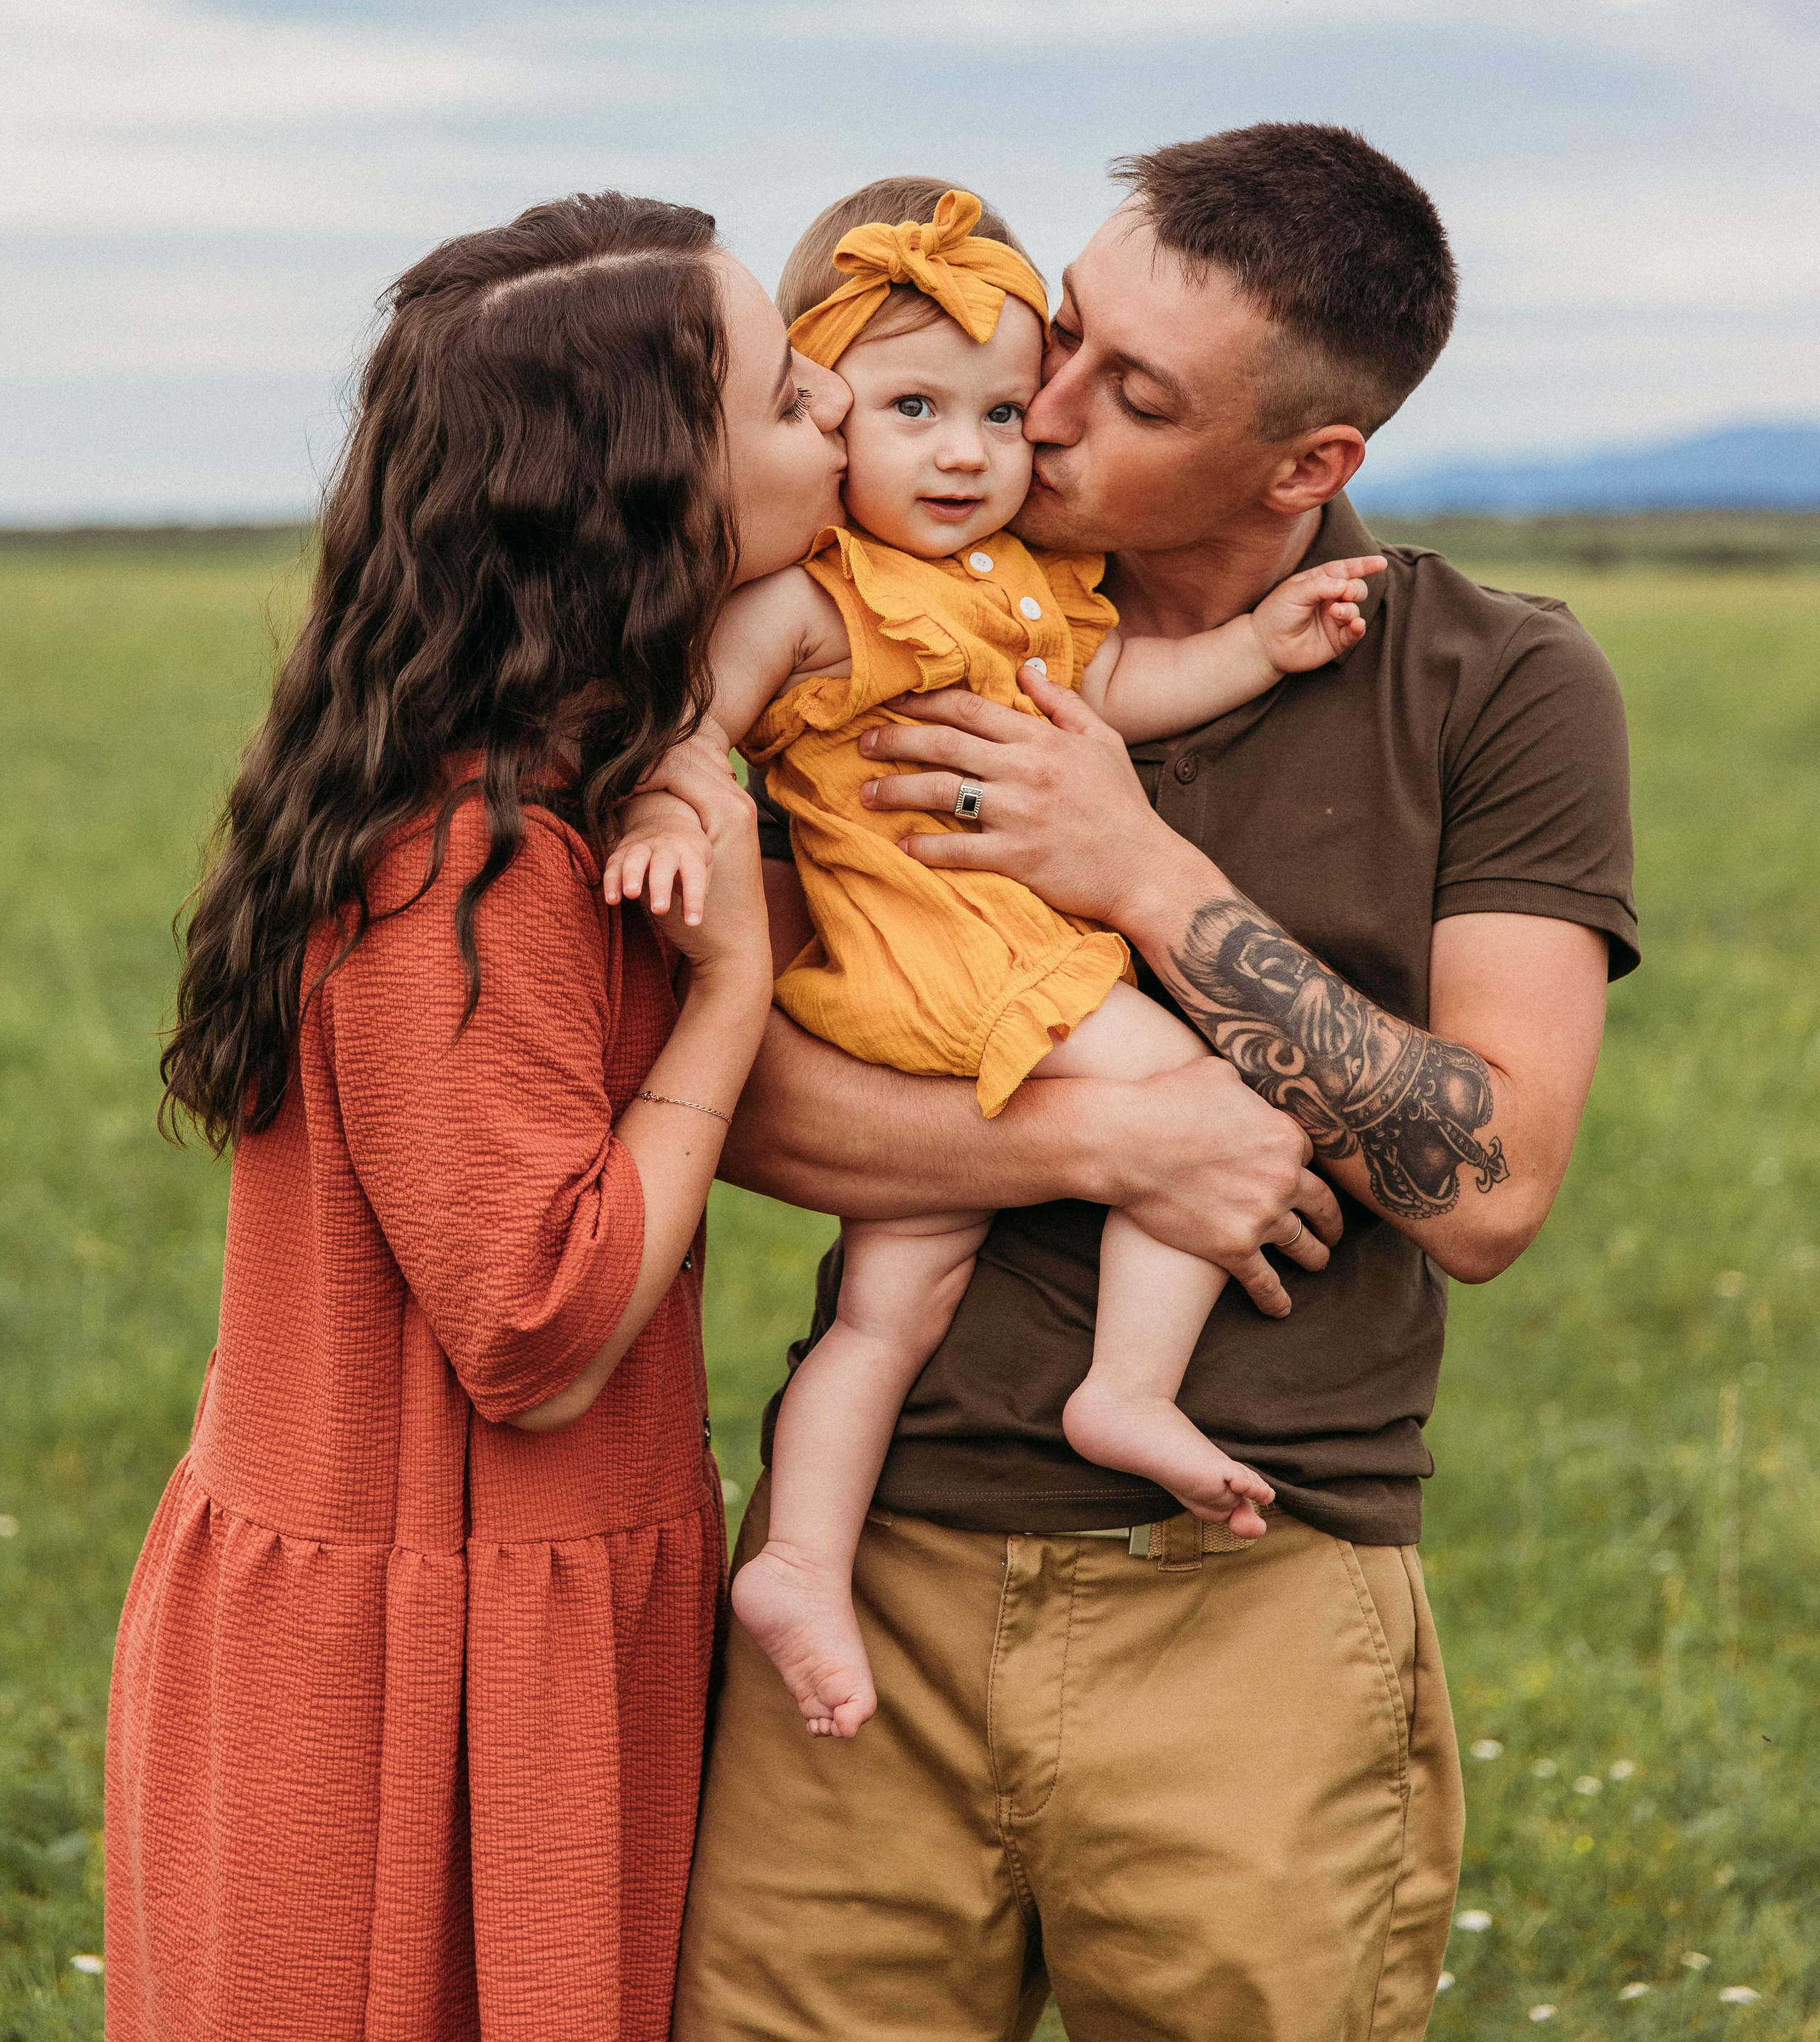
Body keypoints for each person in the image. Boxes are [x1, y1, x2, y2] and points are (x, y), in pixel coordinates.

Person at [671, 131, 1638, 2042]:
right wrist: (1118, 1131)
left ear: (1308, 466)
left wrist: (1142, 876)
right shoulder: (880, 619)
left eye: (1135, 393)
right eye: (1069, 335)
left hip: (1260, 1599)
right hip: (878, 1576)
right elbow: (748, 1093)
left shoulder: (1494, 682)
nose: (1040, 404)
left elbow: (1496, 1189)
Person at [105, 193, 851, 2042]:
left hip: (512, 1619)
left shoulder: (587, 762)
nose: (834, 399)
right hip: (407, 1685)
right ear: (648, 497)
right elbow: (540, 1325)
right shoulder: (471, 850)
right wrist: (736, 991)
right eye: (781, 390)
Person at [612, 185, 1384, 1740]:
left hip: (950, 981)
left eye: (993, 414)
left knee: (887, 1312)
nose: (964, 454)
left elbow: (1120, 683)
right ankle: (1126, 1389)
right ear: (826, 426)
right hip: (954, 960)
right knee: (1206, 1091)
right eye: (909, 410)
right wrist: (669, 801)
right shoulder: (815, 596)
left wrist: (1256, 648)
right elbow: (694, 712)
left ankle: (798, 1558)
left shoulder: (1020, 592)